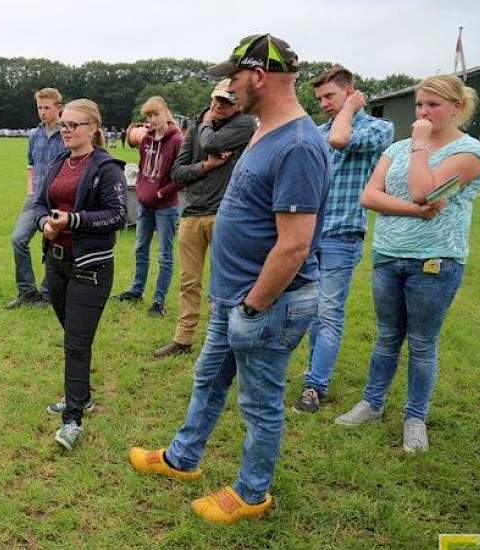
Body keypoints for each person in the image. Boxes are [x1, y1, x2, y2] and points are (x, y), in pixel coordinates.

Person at [127, 34, 329, 525]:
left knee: (259, 403)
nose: (229, 85)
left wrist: (254, 307)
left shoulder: (300, 144)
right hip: (234, 298)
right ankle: (182, 458)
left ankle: (251, 492)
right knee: (207, 379)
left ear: (258, 76)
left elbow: (295, 244)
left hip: (266, 303)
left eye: (234, 76)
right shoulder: (264, 129)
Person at [335, 74, 480, 453]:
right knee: (387, 336)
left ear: (457, 107)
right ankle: (372, 402)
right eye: (420, 105)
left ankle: (415, 417)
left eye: (432, 105)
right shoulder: (398, 148)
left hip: (436, 260)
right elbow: (369, 196)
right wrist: (416, 212)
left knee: (421, 343)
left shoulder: (469, 153)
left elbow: (425, 189)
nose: (422, 112)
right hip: (388, 254)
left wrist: (421, 146)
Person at [292, 66, 394, 413]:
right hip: (310, 233)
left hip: (342, 234)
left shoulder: (379, 128)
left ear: (351, 93)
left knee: (328, 312)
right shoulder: (318, 131)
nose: (323, 103)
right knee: (306, 308)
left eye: (330, 97)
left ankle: (314, 386)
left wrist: (349, 110)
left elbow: (340, 140)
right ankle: (310, 373)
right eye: (319, 98)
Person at [34, 99, 126, 451]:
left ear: (93, 128)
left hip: (91, 267)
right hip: (56, 262)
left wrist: (72, 221)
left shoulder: (107, 167)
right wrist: (45, 222)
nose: (66, 130)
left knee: (75, 342)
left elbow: (117, 215)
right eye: (65, 124)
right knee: (71, 333)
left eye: (74, 125)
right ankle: (81, 396)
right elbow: (41, 202)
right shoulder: (60, 161)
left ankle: (72, 418)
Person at [153, 79, 256, 357]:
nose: (218, 105)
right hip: (191, 214)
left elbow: (212, 141)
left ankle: (218, 340)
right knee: (189, 282)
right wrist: (207, 165)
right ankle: (183, 340)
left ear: (238, 104)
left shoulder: (244, 124)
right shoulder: (198, 127)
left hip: (225, 213)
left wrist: (206, 125)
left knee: (223, 283)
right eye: (215, 100)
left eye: (225, 101)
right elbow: (177, 172)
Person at [112, 96, 183, 317]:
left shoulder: (177, 141)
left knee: (164, 254)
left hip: (166, 206)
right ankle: (136, 289)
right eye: (148, 116)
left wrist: (162, 192)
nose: (152, 120)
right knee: (140, 248)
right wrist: (143, 190)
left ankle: (158, 300)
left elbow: (180, 176)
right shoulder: (146, 140)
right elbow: (143, 168)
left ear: (166, 113)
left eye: (155, 115)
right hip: (145, 203)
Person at [7, 88, 67, 309]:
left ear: (58, 108)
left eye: (47, 108)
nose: (42, 112)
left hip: (59, 202)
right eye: (39, 107)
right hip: (35, 200)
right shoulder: (34, 136)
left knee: (53, 247)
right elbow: (30, 166)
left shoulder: (67, 136)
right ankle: (26, 291)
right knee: (18, 239)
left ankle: (48, 293)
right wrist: (30, 191)